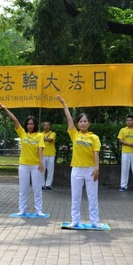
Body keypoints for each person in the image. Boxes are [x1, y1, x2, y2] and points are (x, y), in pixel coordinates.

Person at [57, 95, 102, 228]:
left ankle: (95, 221)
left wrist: (96, 169)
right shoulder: (75, 134)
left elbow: (96, 154)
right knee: (75, 197)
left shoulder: (94, 137)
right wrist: (64, 104)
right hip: (76, 169)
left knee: (92, 196)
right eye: (81, 121)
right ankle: (75, 220)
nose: (83, 123)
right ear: (78, 124)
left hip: (90, 170)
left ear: (89, 123)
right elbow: (69, 119)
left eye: (85, 121)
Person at [0, 103, 45, 216]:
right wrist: (5, 109)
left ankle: (39, 210)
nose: (30, 126)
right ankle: (22, 210)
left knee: (37, 189)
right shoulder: (22, 133)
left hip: (35, 166)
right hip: (23, 165)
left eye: (32, 124)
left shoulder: (39, 136)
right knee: (23, 189)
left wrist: (41, 163)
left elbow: (40, 149)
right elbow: (15, 120)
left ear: (35, 125)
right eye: (28, 124)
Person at [41, 121, 56, 190]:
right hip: (42, 154)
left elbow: (50, 140)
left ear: (50, 127)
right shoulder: (40, 134)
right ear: (43, 126)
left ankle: (48, 184)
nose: (46, 127)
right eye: (45, 125)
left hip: (51, 154)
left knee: (50, 170)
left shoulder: (53, 133)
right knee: (42, 170)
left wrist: (43, 139)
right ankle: (42, 184)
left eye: (47, 125)